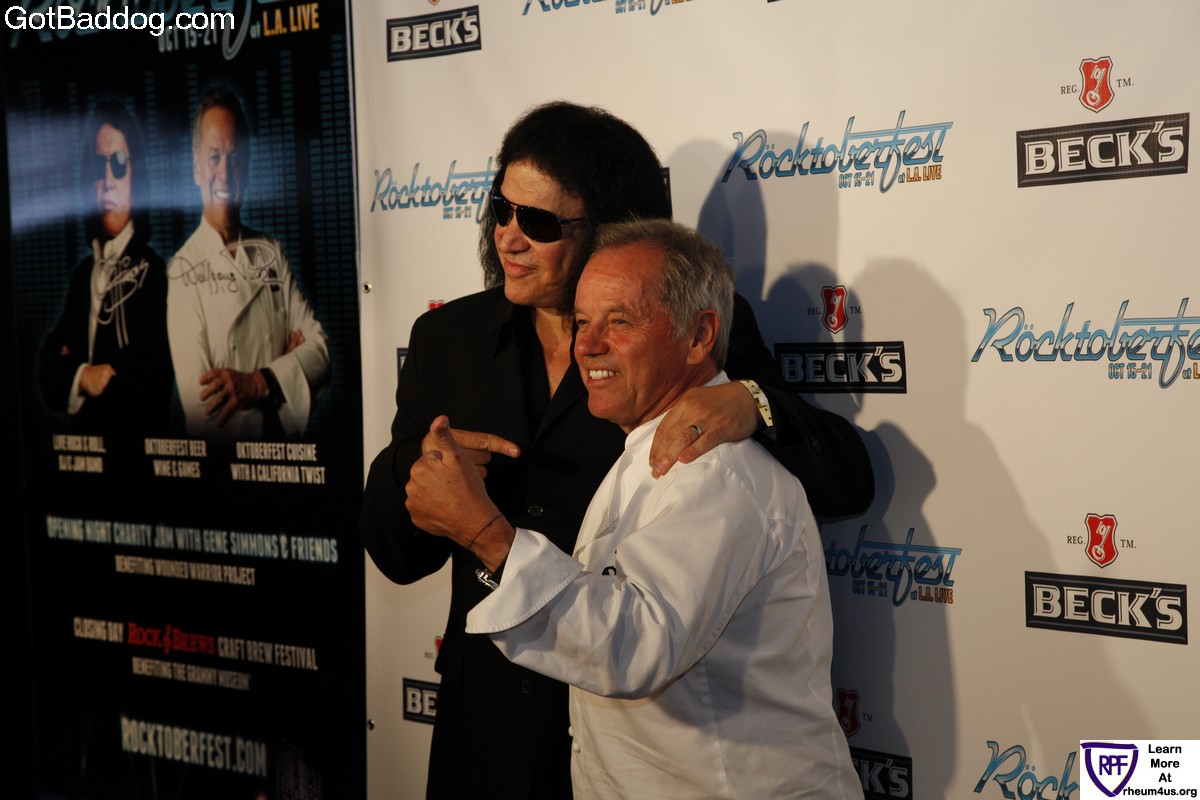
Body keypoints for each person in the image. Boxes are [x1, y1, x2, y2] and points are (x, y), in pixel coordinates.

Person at [360, 101, 872, 799]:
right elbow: (396, 554)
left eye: (539, 222)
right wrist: (415, 476)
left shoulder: (684, 331)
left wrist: (754, 404)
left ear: (609, 227)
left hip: (634, 724)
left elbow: (842, 482)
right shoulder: (447, 339)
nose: (509, 236)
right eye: (501, 210)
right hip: (487, 726)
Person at [167, 86, 329, 442]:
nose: (225, 174)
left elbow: (320, 351)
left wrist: (259, 382)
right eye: (214, 157)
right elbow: (202, 410)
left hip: (286, 462)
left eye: (235, 158)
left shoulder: (271, 251)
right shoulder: (182, 270)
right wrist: (284, 382)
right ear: (196, 166)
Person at [39, 99, 173, 436]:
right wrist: (85, 376)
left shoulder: (154, 272)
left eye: (119, 163)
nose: (109, 180)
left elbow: (149, 382)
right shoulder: (84, 274)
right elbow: (47, 372)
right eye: (100, 166)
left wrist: (75, 369)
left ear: (136, 175)